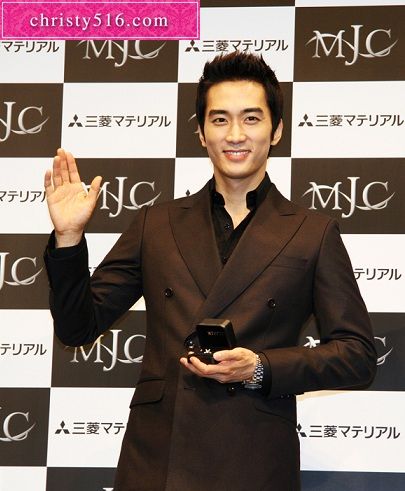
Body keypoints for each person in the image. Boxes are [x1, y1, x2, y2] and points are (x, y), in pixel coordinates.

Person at [44, 52, 377, 491]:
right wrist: (68, 238)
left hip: (255, 459)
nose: (235, 135)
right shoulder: (156, 224)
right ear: (201, 133)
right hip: (159, 460)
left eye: (251, 118)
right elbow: (77, 327)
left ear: (276, 130)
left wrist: (261, 367)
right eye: (220, 120)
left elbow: (357, 355)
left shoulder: (311, 233)